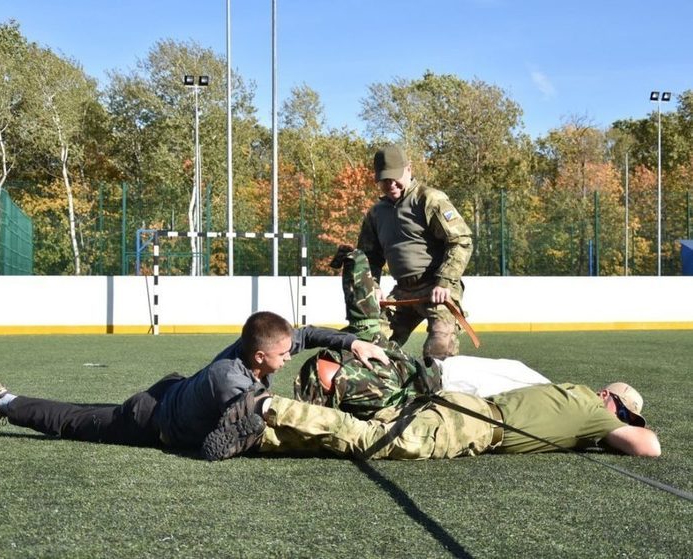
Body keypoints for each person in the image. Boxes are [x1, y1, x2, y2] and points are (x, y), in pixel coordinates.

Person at [0, 311, 390, 451]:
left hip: (170, 391)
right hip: (150, 420)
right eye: (283, 355)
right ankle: (2, 401)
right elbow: (259, 416)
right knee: (73, 422)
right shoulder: (232, 380)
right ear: (261, 356)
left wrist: (354, 344)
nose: (289, 356)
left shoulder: (249, 348)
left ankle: (5, 400)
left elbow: (307, 333)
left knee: (86, 413)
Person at [294, 247, 549, 419]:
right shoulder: (360, 348)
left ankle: (575, 399)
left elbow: (360, 301)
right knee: (525, 392)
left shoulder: (359, 345)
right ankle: (577, 401)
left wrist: (355, 259)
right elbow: (361, 300)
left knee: (521, 381)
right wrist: (353, 257)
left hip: (448, 377)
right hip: (448, 384)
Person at [204, 378, 661, 461]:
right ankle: (269, 408)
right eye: (623, 412)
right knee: (373, 441)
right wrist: (620, 429)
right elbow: (648, 447)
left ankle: (260, 437)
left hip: (461, 405)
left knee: (356, 436)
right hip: (474, 425)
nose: (622, 422)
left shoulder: (570, 391)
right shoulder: (592, 414)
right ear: (608, 399)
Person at [357, 144, 473, 360]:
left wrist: (444, 282)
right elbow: (368, 257)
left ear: (408, 169)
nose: (391, 185)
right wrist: (373, 286)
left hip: (436, 288)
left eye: (395, 177)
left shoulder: (429, 200)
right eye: (384, 180)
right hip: (402, 293)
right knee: (371, 343)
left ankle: (441, 391)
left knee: (439, 348)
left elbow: (460, 241)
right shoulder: (375, 214)